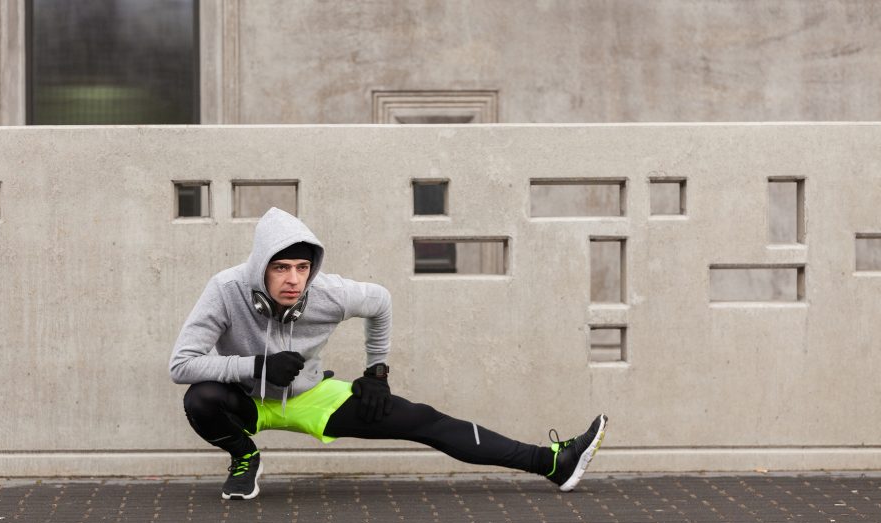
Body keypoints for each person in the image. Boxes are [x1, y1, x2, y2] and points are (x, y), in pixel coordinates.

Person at [170, 208, 607, 500]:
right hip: (245, 398)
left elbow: (380, 302)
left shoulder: (329, 294)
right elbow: (182, 364)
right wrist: (256, 366)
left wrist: (376, 372)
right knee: (200, 398)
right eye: (281, 267)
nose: (293, 279)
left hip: (309, 397)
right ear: (260, 265)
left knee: (425, 421)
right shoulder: (227, 290)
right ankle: (245, 456)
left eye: (302, 268)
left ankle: (551, 462)